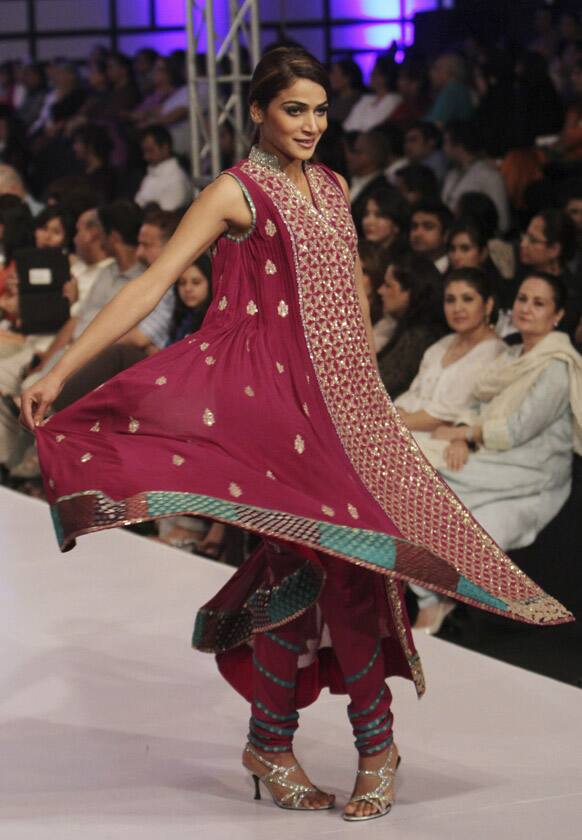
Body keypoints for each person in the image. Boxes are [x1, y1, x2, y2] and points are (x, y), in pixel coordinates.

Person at [21, 47, 571, 824]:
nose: (312, 125)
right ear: (257, 111)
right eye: (294, 110)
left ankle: (271, 740)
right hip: (273, 411)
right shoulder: (233, 193)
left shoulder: (336, 185)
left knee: (312, 569)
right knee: (341, 569)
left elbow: (347, 294)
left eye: (319, 109)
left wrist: (369, 396)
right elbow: (150, 285)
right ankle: (372, 746)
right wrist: (61, 372)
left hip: (342, 408)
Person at [434, 272, 582, 553]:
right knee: (430, 489)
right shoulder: (511, 355)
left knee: (444, 494)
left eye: (539, 303)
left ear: (558, 315)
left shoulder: (557, 367)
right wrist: (459, 439)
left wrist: (461, 432)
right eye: (522, 299)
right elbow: (476, 404)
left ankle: (435, 595)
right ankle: (427, 594)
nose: (526, 308)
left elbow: (515, 431)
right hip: (492, 457)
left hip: (532, 474)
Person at [376, 251, 446, 400]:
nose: (380, 291)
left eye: (388, 286)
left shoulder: (420, 336)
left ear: (411, 291)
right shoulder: (409, 328)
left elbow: (377, 385)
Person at [134, 125, 192, 211]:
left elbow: (165, 217)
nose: (146, 157)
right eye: (144, 152)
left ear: (165, 148)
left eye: (150, 151)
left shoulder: (177, 179)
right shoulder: (151, 174)